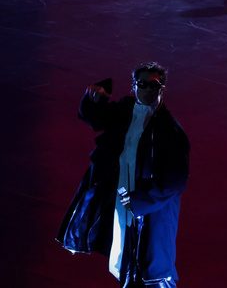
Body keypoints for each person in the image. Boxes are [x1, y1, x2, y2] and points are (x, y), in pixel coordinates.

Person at [58, 63, 189, 288]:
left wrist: (137, 202)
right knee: (126, 260)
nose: (148, 90)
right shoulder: (125, 111)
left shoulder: (171, 131)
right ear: (134, 86)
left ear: (162, 89)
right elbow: (97, 119)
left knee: (153, 269)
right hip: (123, 200)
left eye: (154, 86)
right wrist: (96, 99)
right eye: (143, 84)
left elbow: (173, 182)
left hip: (149, 209)